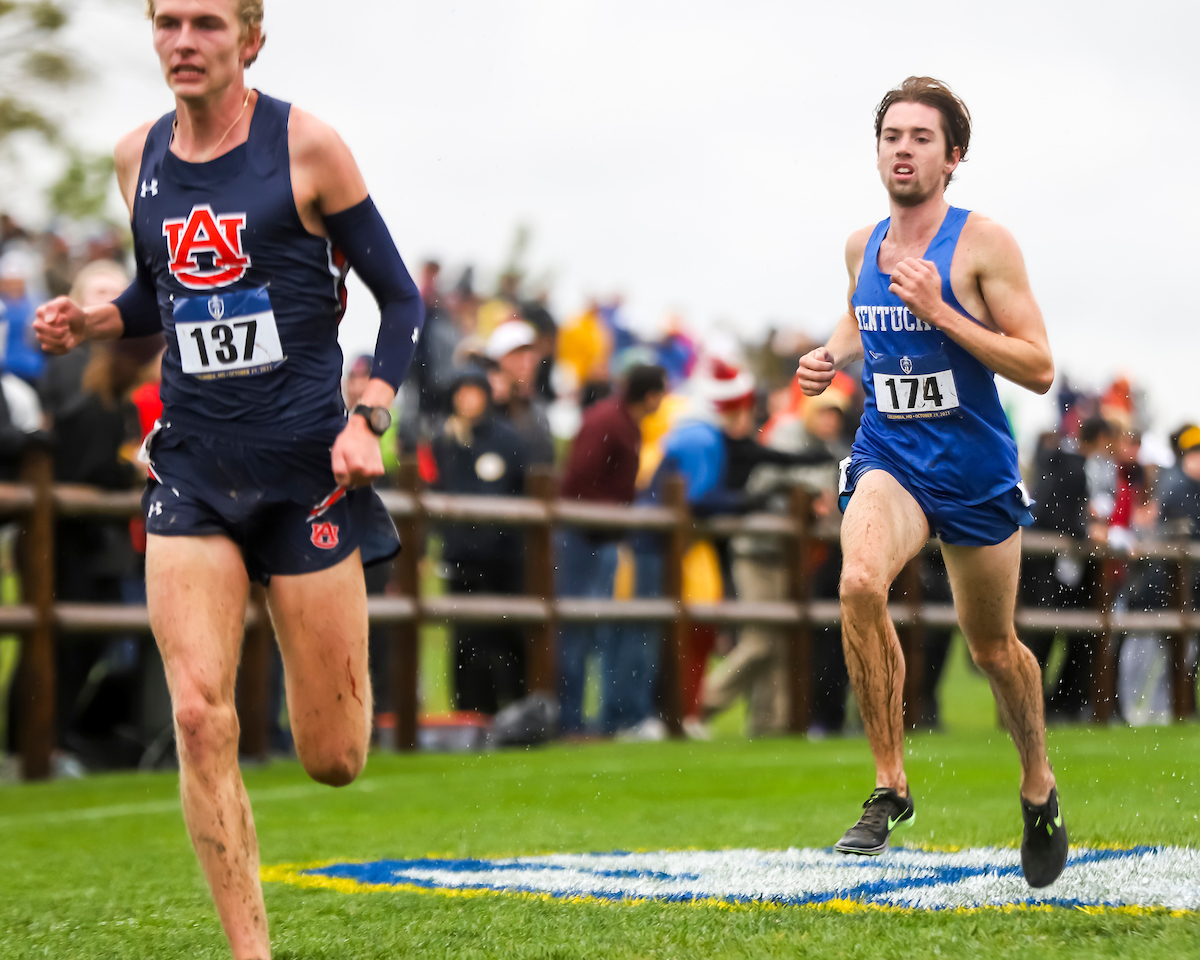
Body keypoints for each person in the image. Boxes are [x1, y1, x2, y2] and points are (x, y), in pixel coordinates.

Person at [32, 3, 424, 956]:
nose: (183, 41)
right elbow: (161, 291)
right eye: (167, 22)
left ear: (250, 40)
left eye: (207, 23)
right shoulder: (136, 157)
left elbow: (402, 298)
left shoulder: (310, 146)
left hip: (305, 473)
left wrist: (370, 415)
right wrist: (95, 321)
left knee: (332, 757)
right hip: (195, 470)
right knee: (201, 713)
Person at [795, 76, 1065, 887]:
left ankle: (1038, 784)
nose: (902, 149)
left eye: (920, 138)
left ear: (953, 157)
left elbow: (1040, 367)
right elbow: (859, 311)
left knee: (994, 650)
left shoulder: (984, 245)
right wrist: (830, 354)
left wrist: (944, 312)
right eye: (891, 136)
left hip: (976, 469)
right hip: (892, 455)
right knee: (859, 583)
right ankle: (889, 785)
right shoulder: (861, 244)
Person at [556, 364, 666, 735]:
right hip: (583, 538)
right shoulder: (608, 422)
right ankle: (569, 718)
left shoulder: (620, 421)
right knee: (575, 630)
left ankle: (586, 718)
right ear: (650, 395)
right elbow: (577, 481)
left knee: (594, 631)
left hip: (600, 539)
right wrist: (621, 511)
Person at [430, 368, 529, 714]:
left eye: (475, 392)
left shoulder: (508, 439)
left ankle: (516, 714)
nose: (468, 400)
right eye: (462, 392)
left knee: (509, 640)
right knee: (465, 643)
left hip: (503, 563)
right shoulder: (443, 440)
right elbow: (435, 494)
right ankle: (469, 715)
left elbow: (517, 495)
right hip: (461, 563)